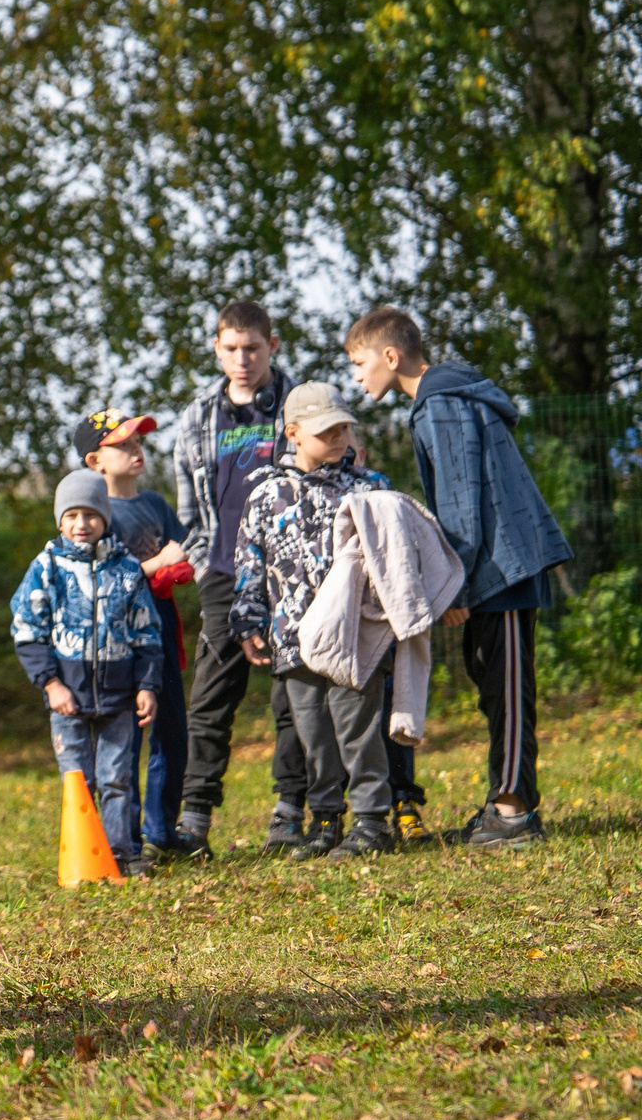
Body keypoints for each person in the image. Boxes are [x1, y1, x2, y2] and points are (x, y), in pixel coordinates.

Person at [345, 308, 571, 850]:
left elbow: (461, 504)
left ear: (391, 356)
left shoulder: (441, 405)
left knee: (509, 690)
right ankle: (503, 799)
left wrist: (455, 587)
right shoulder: (442, 400)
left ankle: (514, 814)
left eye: (359, 362)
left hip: (502, 568)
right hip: (491, 568)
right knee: (493, 684)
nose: (356, 376)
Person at [169, 300, 315, 858]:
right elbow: (189, 513)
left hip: (288, 574)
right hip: (225, 576)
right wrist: (206, 568)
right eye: (230, 349)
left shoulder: (296, 405)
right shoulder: (197, 415)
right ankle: (194, 820)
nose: (242, 359)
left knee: (292, 696)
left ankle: (289, 814)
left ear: (271, 346)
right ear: (216, 349)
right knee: (211, 699)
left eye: (252, 348)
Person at [230, 383, 397, 861]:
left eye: (345, 427)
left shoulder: (369, 488)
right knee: (314, 734)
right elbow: (250, 565)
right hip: (292, 639)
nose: (340, 437)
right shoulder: (265, 494)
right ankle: (325, 821)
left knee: (358, 728)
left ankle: (371, 821)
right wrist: (249, 622)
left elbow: (393, 560)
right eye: (328, 430)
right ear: (294, 433)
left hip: (354, 637)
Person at [11, 471, 163, 874]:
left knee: (117, 778)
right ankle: (82, 857)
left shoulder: (127, 569)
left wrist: (148, 685)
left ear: (105, 518)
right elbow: (27, 630)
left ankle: (122, 854)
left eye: (92, 514)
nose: (82, 524)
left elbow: (148, 632)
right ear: (60, 520)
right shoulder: (47, 568)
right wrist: (50, 683)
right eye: (73, 515)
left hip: (120, 695)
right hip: (69, 699)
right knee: (78, 779)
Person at [73, 411, 191, 855]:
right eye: (121, 444)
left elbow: (179, 550)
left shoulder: (155, 504)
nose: (135, 449)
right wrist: (156, 565)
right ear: (95, 460)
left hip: (160, 636)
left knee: (173, 737)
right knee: (125, 743)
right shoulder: (90, 516)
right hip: (117, 647)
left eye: (137, 441)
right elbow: (99, 580)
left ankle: (162, 833)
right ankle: (127, 839)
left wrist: (177, 568)